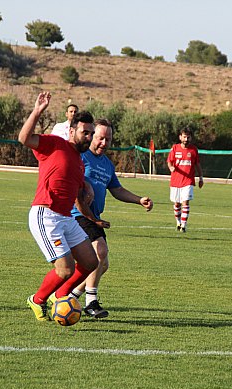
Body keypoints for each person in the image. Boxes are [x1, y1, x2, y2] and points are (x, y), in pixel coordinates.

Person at [61, 118, 153, 319]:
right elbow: (70, 177)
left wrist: (139, 200)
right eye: (101, 138)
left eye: (108, 140)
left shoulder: (107, 164)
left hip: (95, 217)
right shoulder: (81, 156)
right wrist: (85, 184)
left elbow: (117, 190)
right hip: (78, 215)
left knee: (102, 264)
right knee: (100, 252)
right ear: (91, 135)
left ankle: (71, 295)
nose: (104, 143)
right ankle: (91, 302)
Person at [18, 92, 98, 322]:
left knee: (91, 262)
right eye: (85, 133)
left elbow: (71, 181)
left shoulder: (79, 161)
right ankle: (38, 299)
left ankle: (61, 295)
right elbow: (24, 138)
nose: (89, 137)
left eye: (91, 134)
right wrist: (37, 111)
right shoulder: (54, 144)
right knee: (65, 270)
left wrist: (86, 187)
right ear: (72, 131)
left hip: (66, 218)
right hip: (46, 214)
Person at [167, 127, 203, 232]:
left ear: (191, 138)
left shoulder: (193, 150)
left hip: (188, 181)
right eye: (184, 136)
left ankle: (183, 225)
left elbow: (197, 164)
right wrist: (171, 167)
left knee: (185, 202)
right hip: (175, 181)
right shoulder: (175, 148)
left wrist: (201, 177)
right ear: (180, 137)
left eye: (188, 137)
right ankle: (178, 222)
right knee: (177, 203)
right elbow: (169, 161)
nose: (186, 139)